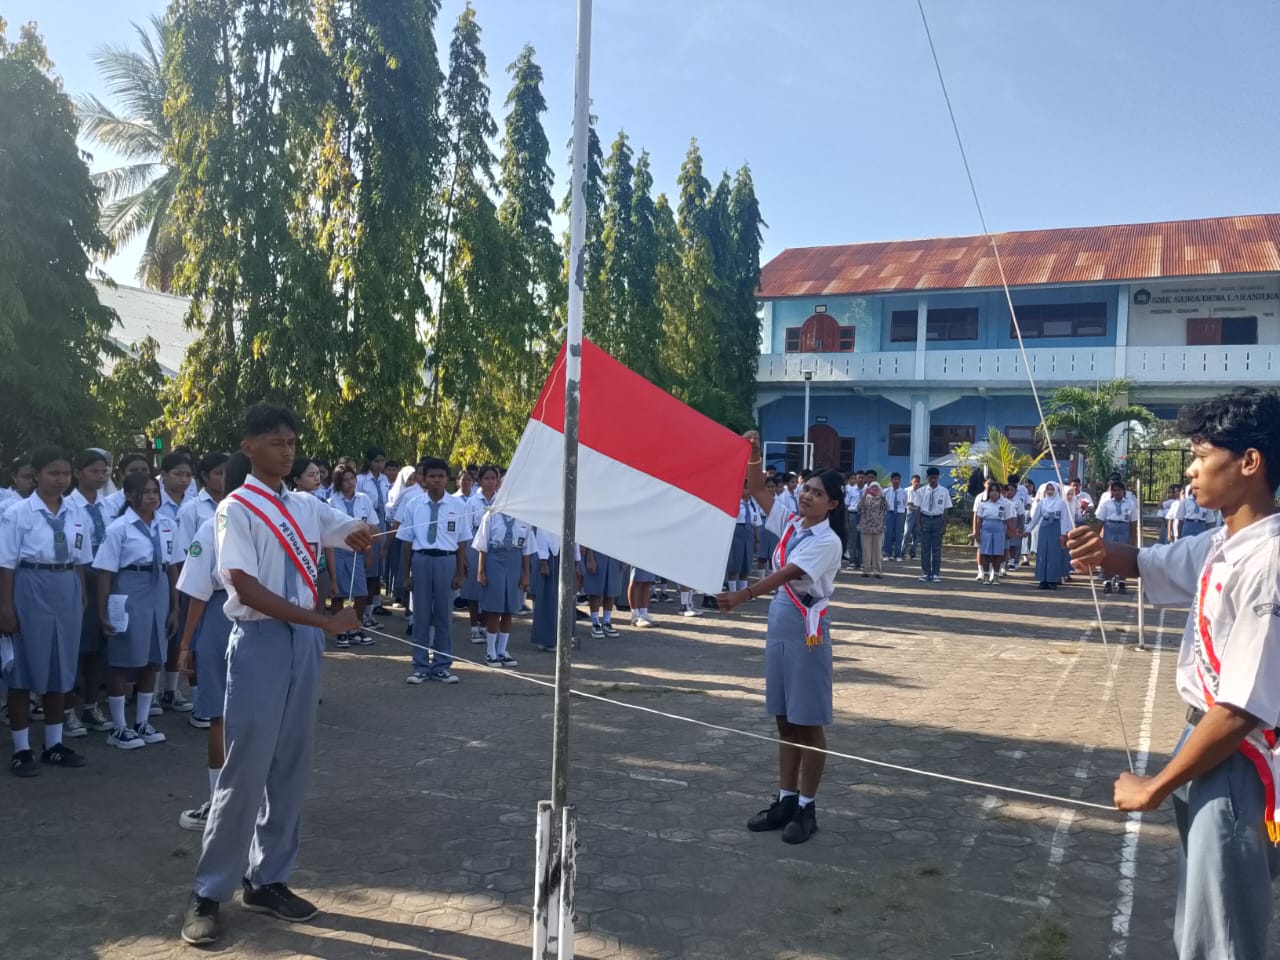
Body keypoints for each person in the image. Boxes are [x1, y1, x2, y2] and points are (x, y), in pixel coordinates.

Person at [1065, 388, 1280, 960]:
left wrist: (1155, 786)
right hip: (1206, 743)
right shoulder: (1224, 541)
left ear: (1249, 462)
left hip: (1237, 755)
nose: (1190, 469)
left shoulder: (1270, 560)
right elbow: (1142, 562)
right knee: (1204, 911)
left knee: (1220, 933)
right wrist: (1100, 550)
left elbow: (1242, 706)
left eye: (1202, 455)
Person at [180, 403, 374, 946]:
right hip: (262, 641)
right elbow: (242, 587)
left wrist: (363, 531)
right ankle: (209, 890)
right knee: (244, 768)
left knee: (291, 764)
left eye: (291, 442)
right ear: (248, 447)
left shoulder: (306, 504)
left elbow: (350, 530)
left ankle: (268, 880)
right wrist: (323, 620)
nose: (286, 451)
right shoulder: (235, 509)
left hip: (305, 644)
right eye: (274, 441)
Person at [718, 431, 845, 845]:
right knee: (784, 717)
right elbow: (756, 488)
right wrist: (754, 454)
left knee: (808, 720)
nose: (807, 496)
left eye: (817, 493)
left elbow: (789, 574)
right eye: (805, 488)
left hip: (806, 627)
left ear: (833, 504)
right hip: (779, 621)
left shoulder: (827, 540)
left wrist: (744, 594)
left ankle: (807, 807)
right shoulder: (791, 523)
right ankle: (785, 798)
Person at [0, 448, 92, 776]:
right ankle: (22, 749)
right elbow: (6, 564)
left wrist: (80, 594)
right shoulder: (18, 513)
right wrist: (6, 606)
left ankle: (53, 744)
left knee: (61, 668)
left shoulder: (76, 512)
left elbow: (80, 559)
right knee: (23, 670)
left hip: (65, 585)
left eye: (65, 473)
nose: (60, 479)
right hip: (30, 583)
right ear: (37, 474)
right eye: (53, 473)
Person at [174, 452, 249, 831]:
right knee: (258, 714)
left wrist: (186, 643)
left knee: (220, 714)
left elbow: (198, 591)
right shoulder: (275, 521)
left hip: (222, 613)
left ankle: (219, 801)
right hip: (267, 619)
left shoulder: (214, 523)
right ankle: (254, 801)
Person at [93, 473, 178, 750]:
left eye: (156, 491)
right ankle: (119, 727)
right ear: (130, 496)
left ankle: (141, 721)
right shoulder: (119, 528)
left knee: (153, 658)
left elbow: (173, 567)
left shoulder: (166, 524)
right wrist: (104, 609)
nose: (153, 496)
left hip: (159, 589)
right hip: (129, 588)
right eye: (146, 492)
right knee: (123, 659)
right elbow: (105, 571)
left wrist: (175, 606)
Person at [397, 458, 470, 684]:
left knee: (443, 615)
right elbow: (407, 542)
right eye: (431, 476)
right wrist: (406, 574)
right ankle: (420, 666)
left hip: (446, 561)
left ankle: (441, 665)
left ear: (447, 479)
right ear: (424, 479)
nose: (436, 480)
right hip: (421, 560)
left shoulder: (458, 506)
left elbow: (461, 544)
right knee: (420, 615)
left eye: (440, 476)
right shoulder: (413, 505)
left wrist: (460, 573)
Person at [65, 449, 114, 738]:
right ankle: (67, 709)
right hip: (81, 581)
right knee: (75, 650)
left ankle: (91, 704)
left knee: (98, 648)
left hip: (106, 583)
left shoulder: (108, 506)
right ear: (78, 472)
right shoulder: (69, 506)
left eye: (103, 470)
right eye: (94, 470)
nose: (100, 475)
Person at [473, 505, 534, 666]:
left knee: (509, 608)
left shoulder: (524, 518)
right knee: (495, 608)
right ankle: (490, 651)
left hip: (514, 560)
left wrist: (526, 574)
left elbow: (527, 549)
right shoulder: (491, 515)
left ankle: (502, 650)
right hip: (495, 559)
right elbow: (483, 545)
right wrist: (481, 570)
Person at [326, 464, 377, 648]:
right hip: (338, 550)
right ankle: (341, 632)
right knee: (338, 593)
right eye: (345, 480)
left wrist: (369, 550)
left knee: (361, 592)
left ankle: (355, 628)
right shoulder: (331, 502)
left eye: (352, 478)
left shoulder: (364, 500)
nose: (350, 483)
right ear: (339, 482)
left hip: (358, 551)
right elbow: (329, 530)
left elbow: (373, 526)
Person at [460, 466, 499, 642]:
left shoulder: (501, 501)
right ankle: (474, 625)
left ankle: (485, 625)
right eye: (487, 478)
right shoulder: (473, 502)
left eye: (493, 478)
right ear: (480, 481)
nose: (490, 482)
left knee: (491, 588)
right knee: (474, 589)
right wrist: (465, 555)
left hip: (495, 547)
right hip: (475, 545)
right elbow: (466, 528)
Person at [356, 448, 390, 622]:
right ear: (369, 462)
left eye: (382, 460)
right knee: (368, 568)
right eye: (376, 460)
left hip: (382, 520)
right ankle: (362, 612)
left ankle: (372, 608)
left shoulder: (384, 479)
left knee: (378, 568)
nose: (380, 464)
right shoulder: (361, 480)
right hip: (368, 520)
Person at [1096, 479, 1137, 593]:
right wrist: (1096, 535)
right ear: (1111, 492)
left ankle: (1121, 582)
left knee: (1123, 556)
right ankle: (1107, 581)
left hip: (1124, 528)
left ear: (1123, 491)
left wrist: (1133, 537)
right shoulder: (1107, 504)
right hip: (1110, 527)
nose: (1117, 493)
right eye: (1114, 491)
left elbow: (1133, 522)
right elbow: (1100, 520)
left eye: (1119, 490)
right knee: (1108, 555)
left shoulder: (1130, 504)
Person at [1026, 482, 1068, 590]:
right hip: (1044, 528)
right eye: (1048, 489)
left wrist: (1063, 534)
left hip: (1056, 527)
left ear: (1056, 491)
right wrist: (1028, 529)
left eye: (1052, 489)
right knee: (1042, 553)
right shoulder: (1042, 503)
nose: (1050, 492)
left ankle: (1053, 580)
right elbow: (1035, 518)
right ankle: (1042, 579)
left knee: (1054, 554)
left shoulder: (1061, 503)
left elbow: (1064, 519)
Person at [972, 480, 1013, 585]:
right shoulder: (983, 505)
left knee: (998, 554)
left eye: (996, 491)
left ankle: (995, 576)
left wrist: (1012, 530)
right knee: (985, 553)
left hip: (999, 529)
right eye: (991, 491)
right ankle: (985, 575)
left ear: (999, 492)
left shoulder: (1005, 504)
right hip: (986, 530)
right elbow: (979, 519)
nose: (994, 493)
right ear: (988, 492)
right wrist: (976, 532)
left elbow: (1008, 519)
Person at [916, 467, 951, 583]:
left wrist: (944, 525)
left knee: (936, 548)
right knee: (925, 548)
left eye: (935, 478)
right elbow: (918, 508)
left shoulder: (944, 491)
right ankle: (926, 572)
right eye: (931, 478)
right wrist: (918, 524)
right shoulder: (922, 491)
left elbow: (946, 510)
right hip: (925, 518)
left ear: (938, 477)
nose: (933, 480)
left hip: (937, 519)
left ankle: (936, 573)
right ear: (927, 478)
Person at [726, 485, 762, 595]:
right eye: (744, 487)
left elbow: (756, 524)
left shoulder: (753, 505)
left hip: (749, 532)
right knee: (735, 563)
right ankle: (732, 590)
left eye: (748, 488)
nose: (746, 490)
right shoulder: (735, 502)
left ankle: (742, 592)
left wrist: (757, 540)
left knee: (746, 563)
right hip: (737, 531)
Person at [582, 546, 623, 639]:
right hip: (597, 553)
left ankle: (606, 622)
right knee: (595, 589)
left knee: (612, 589)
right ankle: (595, 623)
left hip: (615, 554)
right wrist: (590, 557)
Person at [857, 480, 887, 578]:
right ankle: (866, 570)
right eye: (872, 487)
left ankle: (877, 571)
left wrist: (883, 496)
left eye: (876, 487)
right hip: (866, 527)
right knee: (866, 550)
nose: (874, 489)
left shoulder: (881, 498)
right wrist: (865, 495)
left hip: (878, 528)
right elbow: (859, 508)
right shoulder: (866, 498)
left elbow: (887, 508)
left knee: (877, 550)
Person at [883, 473, 907, 562]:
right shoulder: (886, 491)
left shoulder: (903, 491)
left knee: (898, 535)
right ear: (891, 480)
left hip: (899, 514)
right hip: (889, 513)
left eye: (898, 479)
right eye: (894, 479)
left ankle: (898, 555)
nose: (896, 481)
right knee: (888, 534)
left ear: (900, 480)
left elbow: (905, 503)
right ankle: (886, 554)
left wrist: (901, 511)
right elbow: (883, 503)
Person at [902, 474, 923, 561]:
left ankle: (913, 552)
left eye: (918, 481)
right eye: (915, 481)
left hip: (918, 512)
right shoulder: (906, 490)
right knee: (907, 533)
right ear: (911, 481)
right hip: (909, 512)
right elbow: (903, 502)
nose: (916, 483)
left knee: (916, 534)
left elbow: (921, 504)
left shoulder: (922, 492)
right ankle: (902, 552)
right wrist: (909, 505)